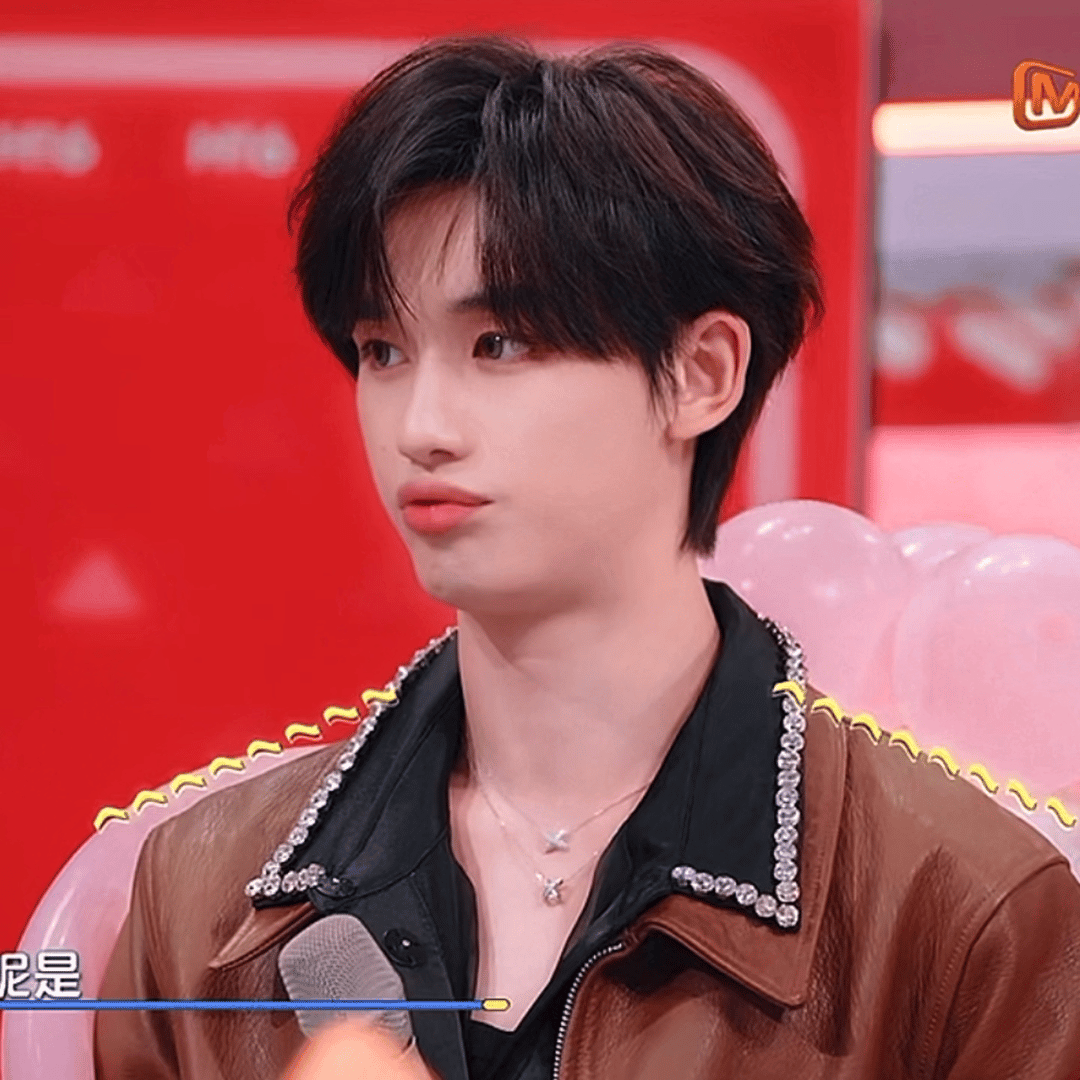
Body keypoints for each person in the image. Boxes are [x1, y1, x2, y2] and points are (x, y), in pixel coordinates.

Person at [94, 34, 1080, 1080]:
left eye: (499, 345)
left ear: (702, 373)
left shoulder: (965, 920)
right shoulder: (201, 900)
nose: (420, 426)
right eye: (384, 351)